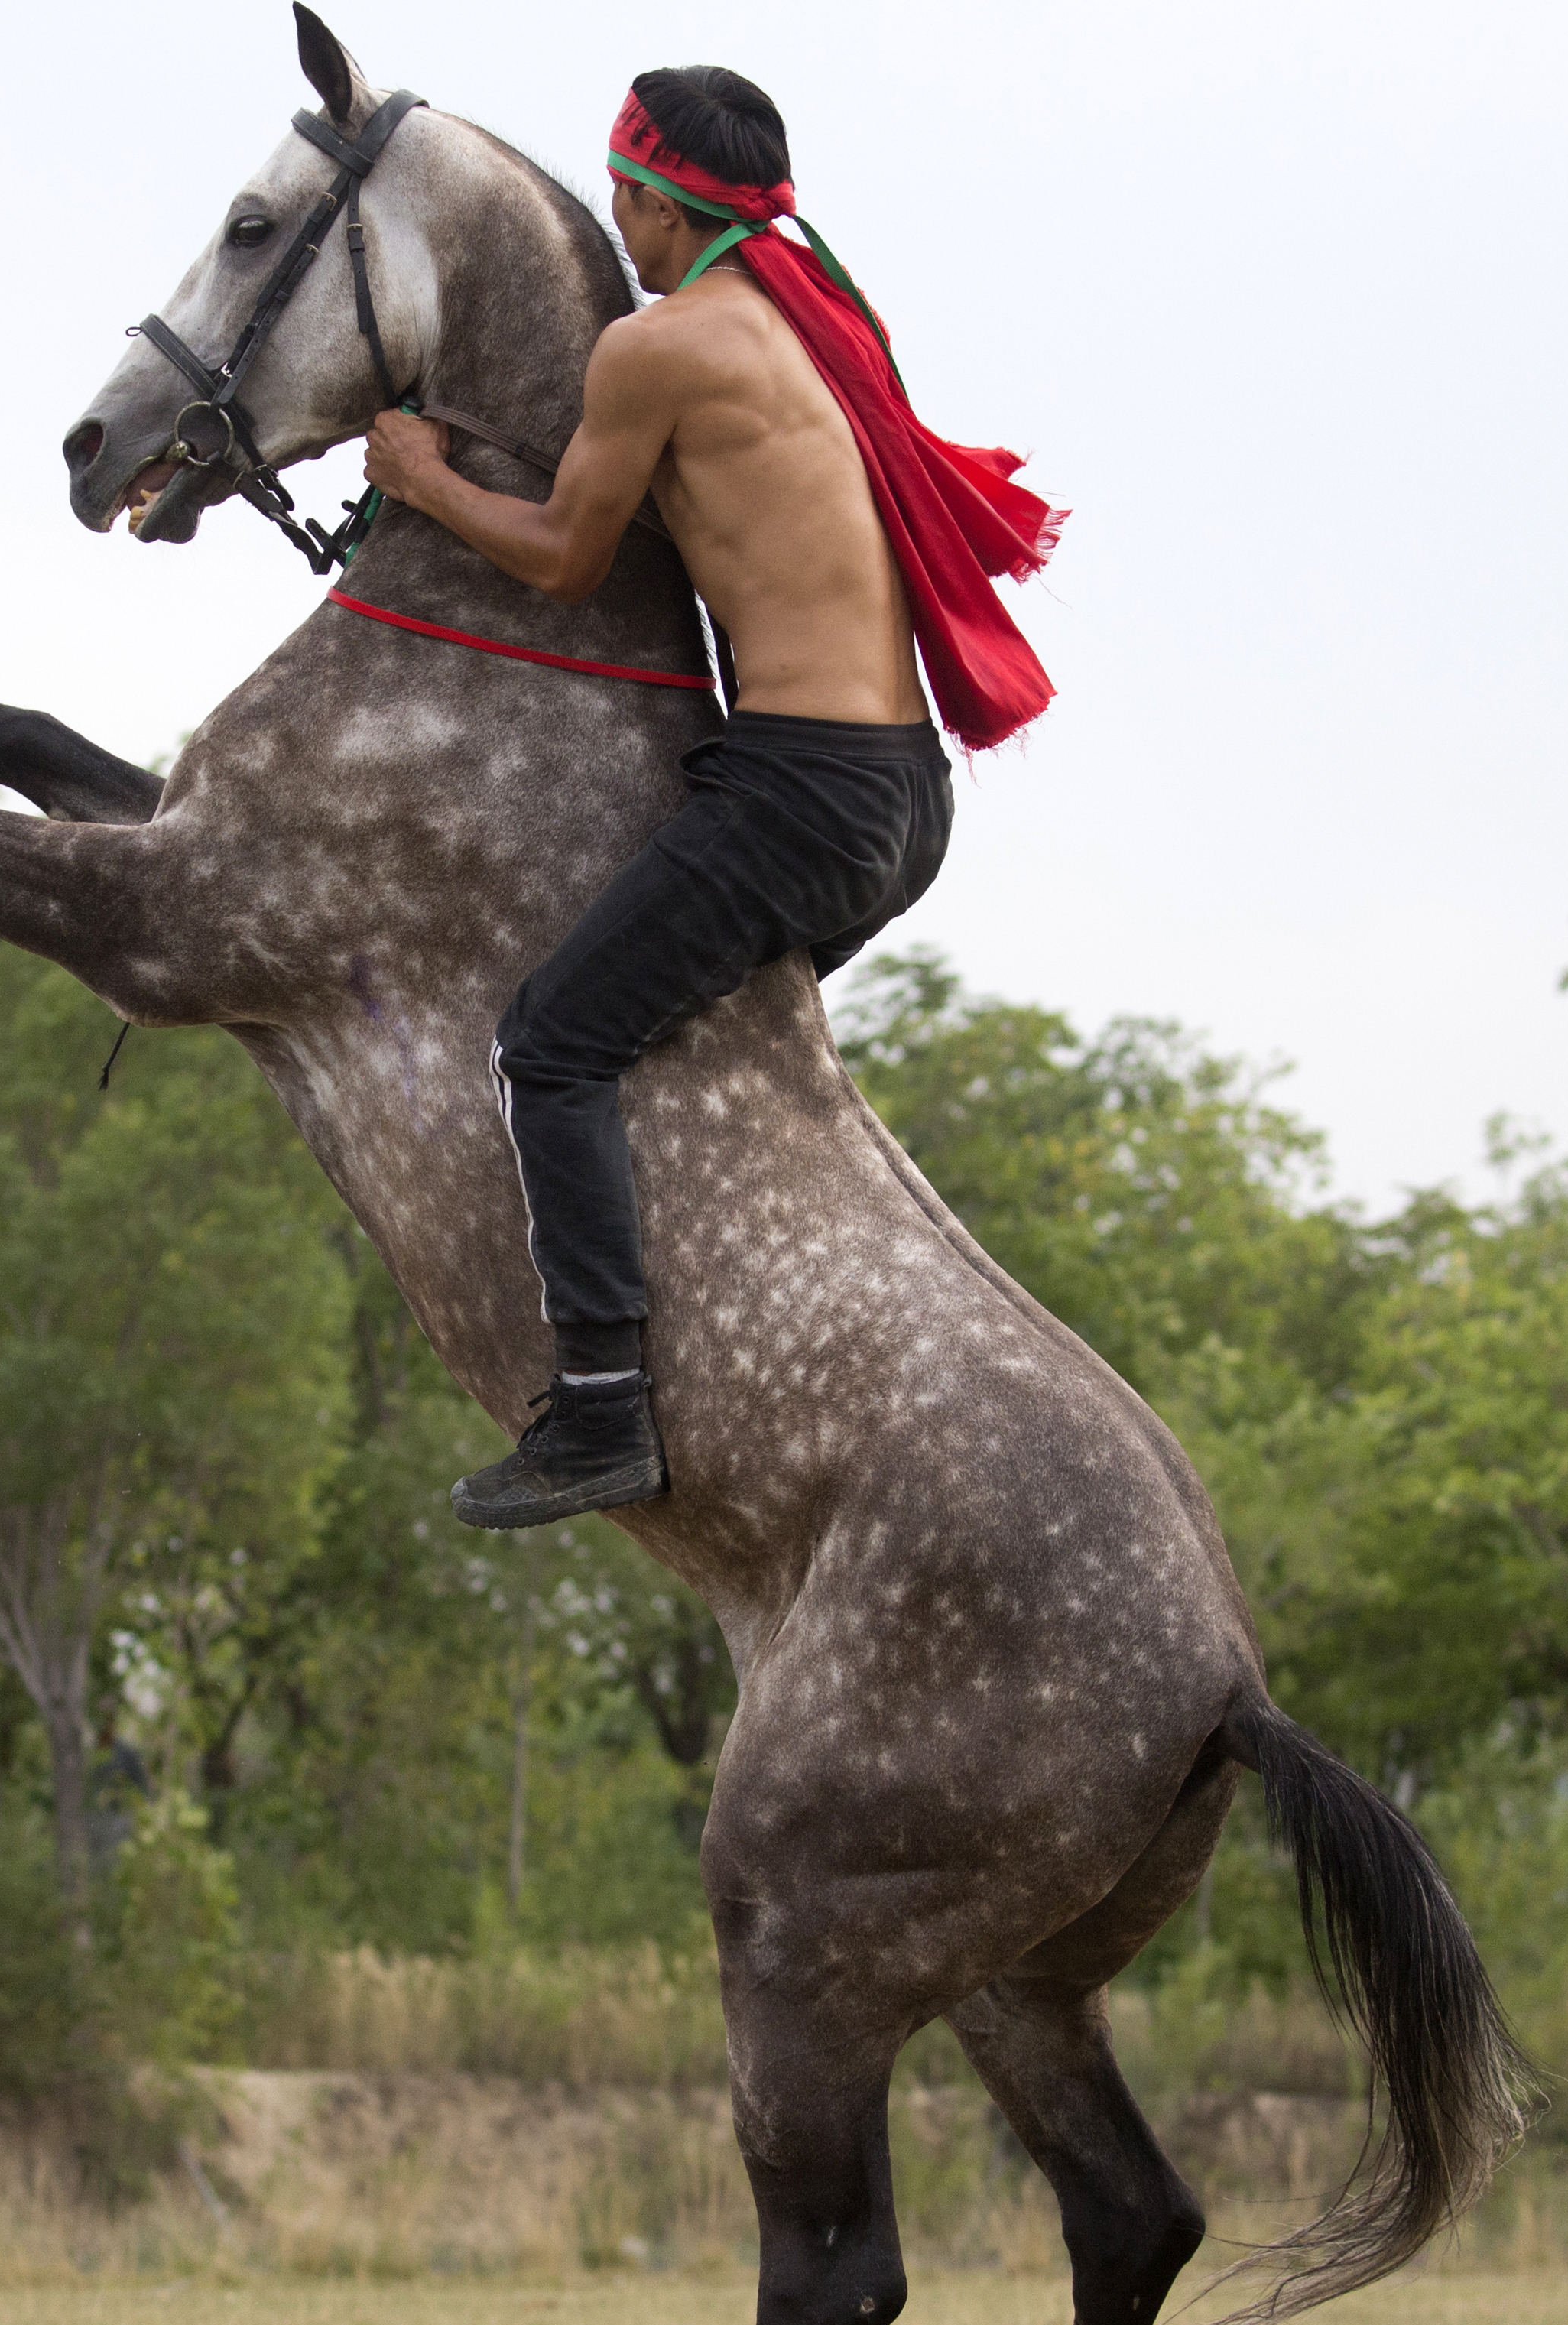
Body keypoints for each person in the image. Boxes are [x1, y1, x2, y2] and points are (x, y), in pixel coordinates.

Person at [360, 65, 1063, 1531]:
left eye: (628, 201)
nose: (620, 228)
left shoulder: (659, 347)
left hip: (801, 795)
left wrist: (420, 478)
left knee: (553, 1043)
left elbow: (562, 554)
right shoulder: (815, 324)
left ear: (653, 201)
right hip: (901, 793)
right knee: (653, 1044)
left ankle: (605, 1407)